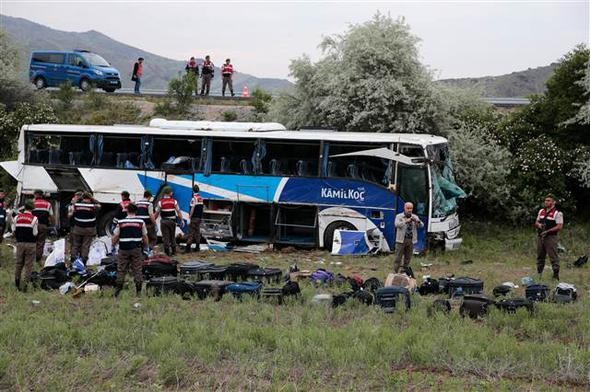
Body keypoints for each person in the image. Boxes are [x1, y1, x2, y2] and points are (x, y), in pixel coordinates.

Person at [112, 203, 148, 297]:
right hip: (136, 249)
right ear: (136, 211)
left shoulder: (121, 222)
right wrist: (146, 247)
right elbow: (145, 237)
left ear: (127, 211)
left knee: (121, 269)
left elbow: (115, 236)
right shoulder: (141, 222)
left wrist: (113, 245)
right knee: (137, 269)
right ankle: (138, 292)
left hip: (123, 249)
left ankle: (117, 292)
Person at [535, 194, 564, 280]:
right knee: (540, 256)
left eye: (549, 201)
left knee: (553, 256)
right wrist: (539, 225)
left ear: (553, 202)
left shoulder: (557, 213)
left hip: (551, 237)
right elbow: (536, 222)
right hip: (540, 237)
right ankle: (539, 275)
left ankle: (555, 276)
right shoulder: (541, 211)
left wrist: (547, 231)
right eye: (545, 200)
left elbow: (559, 226)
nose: (546, 202)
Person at [12, 200, 38, 291]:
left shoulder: (16, 217)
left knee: (19, 263)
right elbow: (35, 233)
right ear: (32, 209)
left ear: (24, 208)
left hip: (20, 243)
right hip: (31, 244)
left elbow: (13, 231)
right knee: (28, 265)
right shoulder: (34, 218)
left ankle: (17, 283)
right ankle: (25, 287)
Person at [69, 192, 101, 264]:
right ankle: (83, 261)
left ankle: (73, 260)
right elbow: (99, 205)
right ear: (90, 198)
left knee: (76, 245)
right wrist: (93, 199)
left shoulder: (76, 205)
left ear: (82, 198)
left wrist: (79, 199)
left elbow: (72, 205)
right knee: (85, 246)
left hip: (78, 228)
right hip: (89, 229)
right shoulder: (93, 206)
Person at [393, 202, 424, 274]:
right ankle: (395, 272)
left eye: (411, 208)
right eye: (408, 208)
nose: (409, 210)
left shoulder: (415, 216)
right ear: (404, 208)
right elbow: (397, 224)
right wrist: (406, 221)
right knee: (398, 258)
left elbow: (421, 225)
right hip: (401, 240)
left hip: (411, 240)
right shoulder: (399, 216)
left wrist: (417, 221)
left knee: (408, 258)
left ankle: (404, 272)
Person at [154, 186, 181, 256]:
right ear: (169, 193)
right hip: (172, 221)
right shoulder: (174, 201)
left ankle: (167, 253)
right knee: (172, 236)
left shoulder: (160, 202)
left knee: (166, 237)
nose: (172, 192)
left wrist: (153, 221)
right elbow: (178, 211)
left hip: (164, 222)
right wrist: (181, 219)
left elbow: (157, 213)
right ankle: (174, 252)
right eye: (171, 192)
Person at [32, 190, 54, 263]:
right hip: (43, 225)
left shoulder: (32, 203)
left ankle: (30, 257)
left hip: (32, 225)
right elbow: (51, 216)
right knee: (40, 242)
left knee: (32, 241)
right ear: (42, 195)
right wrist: (52, 224)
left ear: (35, 195)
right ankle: (38, 259)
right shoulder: (48, 204)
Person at [185, 185, 204, 253]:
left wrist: (189, 217)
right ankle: (197, 247)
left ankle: (187, 248)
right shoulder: (201, 198)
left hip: (194, 218)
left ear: (193, 191)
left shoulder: (194, 198)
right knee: (197, 232)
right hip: (199, 218)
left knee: (191, 232)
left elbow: (192, 208)